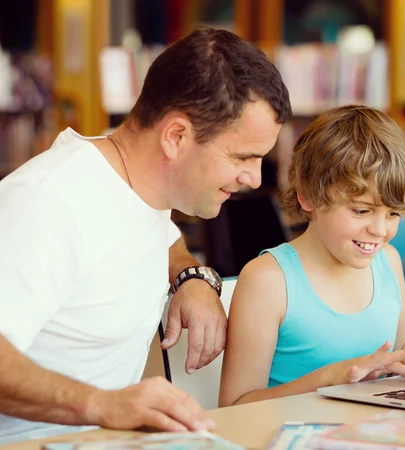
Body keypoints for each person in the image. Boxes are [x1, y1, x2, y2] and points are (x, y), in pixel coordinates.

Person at [0, 27, 292, 443]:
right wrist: (104, 405)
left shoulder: (138, 187)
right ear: (176, 136)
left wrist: (192, 276)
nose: (253, 177)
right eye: (243, 156)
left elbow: (154, 231)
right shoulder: (47, 204)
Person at [219, 105, 405, 407]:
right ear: (307, 196)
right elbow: (233, 408)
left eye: (393, 213)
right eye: (361, 211)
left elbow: (403, 354)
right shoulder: (268, 280)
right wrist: (330, 378)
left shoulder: (388, 261)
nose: (379, 230)